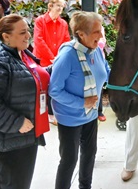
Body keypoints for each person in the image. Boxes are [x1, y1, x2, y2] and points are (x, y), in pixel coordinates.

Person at [48, 11, 110, 189]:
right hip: (70, 118)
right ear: (80, 34)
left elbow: (106, 72)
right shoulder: (68, 56)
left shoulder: (96, 50)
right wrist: (82, 102)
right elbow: (55, 90)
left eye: (101, 30)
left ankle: (85, 187)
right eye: (96, 32)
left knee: (90, 154)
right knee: (69, 160)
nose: (100, 36)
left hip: (90, 116)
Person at [0, 14, 50, 189]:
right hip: (9, 143)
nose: (28, 36)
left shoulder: (23, 55)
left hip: (26, 139)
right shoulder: (0, 61)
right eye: (22, 32)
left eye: (28, 31)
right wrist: (16, 122)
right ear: (6, 37)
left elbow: (32, 78)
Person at [33, 0, 71, 125]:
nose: (60, 8)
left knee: (55, 86)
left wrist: (60, 57)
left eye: (62, 6)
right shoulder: (40, 21)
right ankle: (43, 114)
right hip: (43, 60)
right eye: (58, 5)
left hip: (57, 60)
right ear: (50, 6)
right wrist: (52, 57)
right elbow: (38, 41)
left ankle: (52, 113)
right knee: (43, 87)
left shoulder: (63, 23)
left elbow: (67, 41)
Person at [97, 27, 107, 122]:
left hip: (100, 59)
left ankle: (99, 111)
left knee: (100, 85)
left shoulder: (101, 28)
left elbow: (102, 42)